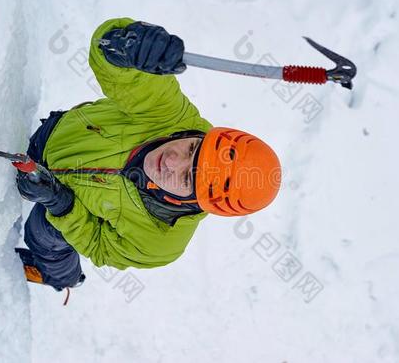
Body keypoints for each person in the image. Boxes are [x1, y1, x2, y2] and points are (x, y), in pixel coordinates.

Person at [15, 18, 282, 291]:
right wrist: (126, 46)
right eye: (191, 149)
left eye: (187, 179)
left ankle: (62, 277)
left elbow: (100, 245)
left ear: (196, 202)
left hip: (70, 206)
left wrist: (61, 204)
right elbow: (115, 64)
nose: (170, 160)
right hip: (55, 136)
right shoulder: (170, 114)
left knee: (40, 234)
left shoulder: (161, 241)